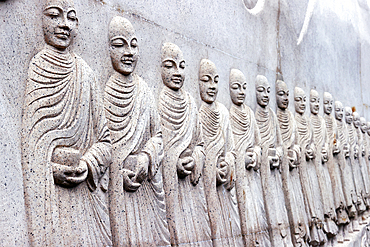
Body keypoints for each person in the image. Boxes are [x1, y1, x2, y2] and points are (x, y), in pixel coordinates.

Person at [22, 0, 112, 245]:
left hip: (87, 202)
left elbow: (105, 142)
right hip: (51, 203)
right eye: (54, 16)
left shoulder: (86, 74)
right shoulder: (36, 69)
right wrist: (49, 169)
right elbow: (27, 147)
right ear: (42, 19)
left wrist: (87, 164)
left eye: (71, 18)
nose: (64, 25)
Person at [104, 16, 170, 246]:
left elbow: (158, 137)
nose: (129, 52)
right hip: (121, 189)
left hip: (148, 185)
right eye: (120, 44)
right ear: (108, 48)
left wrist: (146, 156)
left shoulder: (145, 91)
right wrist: (117, 173)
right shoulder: (105, 93)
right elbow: (102, 144)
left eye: (133, 44)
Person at [158, 42, 212, 246]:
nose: (177, 72)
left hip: (192, 187)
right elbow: (157, 144)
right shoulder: (159, 101)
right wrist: (173, 162)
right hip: (172, 188)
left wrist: (196, 158)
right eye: (170, 66)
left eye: (181, 66)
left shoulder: (190, 102)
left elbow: (200, 144)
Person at [198, 59, 242, 246]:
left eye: (216, 81)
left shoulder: (223, 112)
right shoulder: (196, 112)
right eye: (206, 80)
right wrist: (209, 170)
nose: (212, 86)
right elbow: (195, 150)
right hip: (207, 189)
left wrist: (228, 163)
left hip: (224, 186)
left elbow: (232, 150)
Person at [229, 69, 271, 247]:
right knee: (244, 213)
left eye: (244, 88)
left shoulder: (250, 115)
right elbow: (228, 148)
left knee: (257, 214)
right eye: (236, 87)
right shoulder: (229, 115)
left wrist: (255, 154)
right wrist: (240, 157)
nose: (241, 92)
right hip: (239, 178)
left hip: (252, 178)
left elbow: (257, 143)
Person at [254, 75, 293, 247]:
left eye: (268, 91)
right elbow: (254, 144)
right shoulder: (253, 115)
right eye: (261, 90)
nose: (265, 95)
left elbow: (280, 144)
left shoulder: (272, 116)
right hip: (262, 176)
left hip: (276, 173)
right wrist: (262, 156)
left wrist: (279, 152)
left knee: (280, 211)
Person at [275, 80, 309, 246]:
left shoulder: (291, 118)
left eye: (287, 94)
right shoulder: (272, 117)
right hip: (278, 174)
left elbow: (296, 143)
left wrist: (295, 152)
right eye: (281, 94)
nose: (285, 98)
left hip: (294, 170)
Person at [294, 87, 327, 246]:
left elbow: (316, 142)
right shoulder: (292, 119)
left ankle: (320, 233)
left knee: (317, 198)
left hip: (313, 169)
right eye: (298, 99)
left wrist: (314, 149)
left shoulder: (311, 121)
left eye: (304, 100)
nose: (302, 103)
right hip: (300, 170)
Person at [322, 93, 349, 243]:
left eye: (330, 103)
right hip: (323, 166)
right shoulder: (319, 121)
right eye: (326, 103)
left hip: (335, 165)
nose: (329, 107)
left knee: (339, 193)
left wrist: (336, 146)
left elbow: (337, 139)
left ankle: (342, 225)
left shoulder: (334, 122)